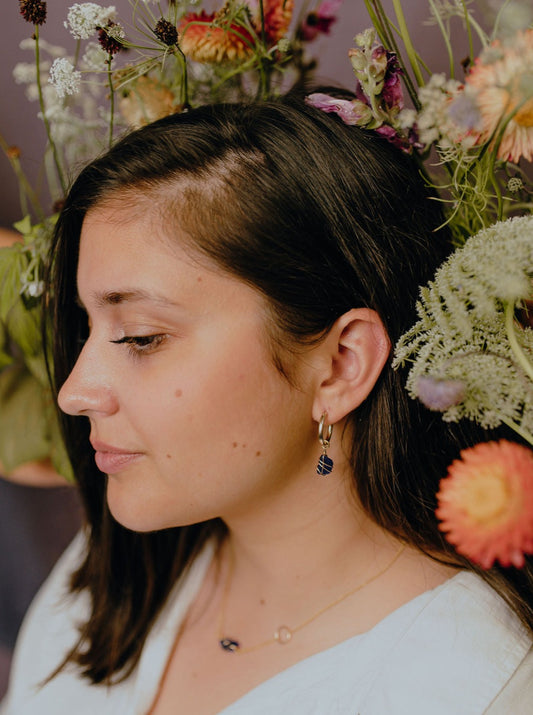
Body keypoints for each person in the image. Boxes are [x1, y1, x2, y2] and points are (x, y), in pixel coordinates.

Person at [1, 89, 532, 714]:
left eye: (141, 338)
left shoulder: (471, 688)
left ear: (341, 365)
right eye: (85, 326)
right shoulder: (110, 575)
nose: (73, 392)